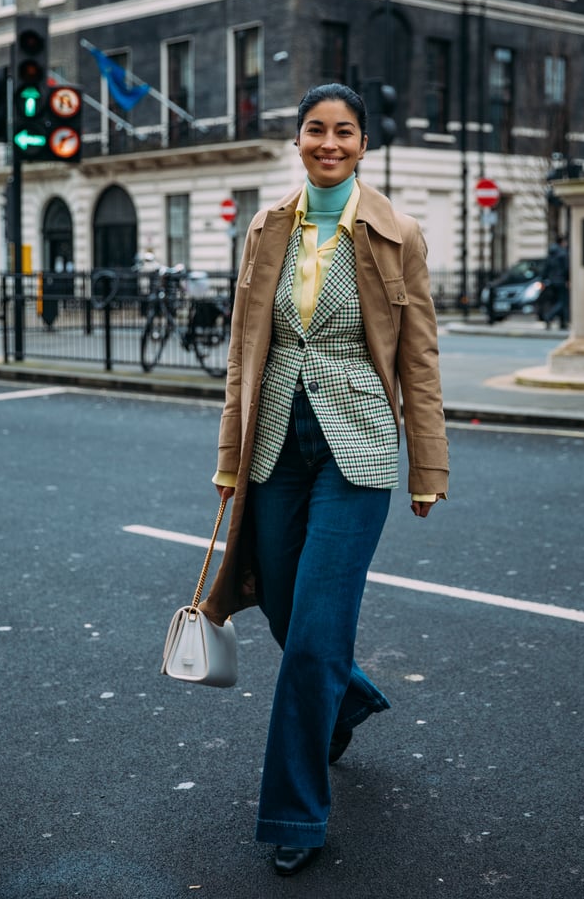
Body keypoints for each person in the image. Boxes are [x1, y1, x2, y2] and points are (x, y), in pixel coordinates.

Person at [200, 83, 449, 877]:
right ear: (297, 139)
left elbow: (419, 358)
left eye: (344, 131)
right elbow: (246, 350)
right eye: (316, 129)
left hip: (360, 449)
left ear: (363, 144)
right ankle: (350, 698)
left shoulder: (394, 232)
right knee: (275, 599)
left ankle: (294, 812)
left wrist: (427, 465)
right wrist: (229, 456)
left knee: (314, 635)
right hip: (274, 441)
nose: (328, 143)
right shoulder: (267, 226)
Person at [540, 234, 570, 329]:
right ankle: (549, 316)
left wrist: (543, 279)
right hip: (561, 281)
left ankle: (562, 323)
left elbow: (546, 268)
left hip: (552, 281)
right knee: (563, 302)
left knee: (557, 301)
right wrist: (567, 279)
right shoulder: (563, 253)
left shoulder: (551, 253)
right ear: (562, 242)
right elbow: (566, 268)